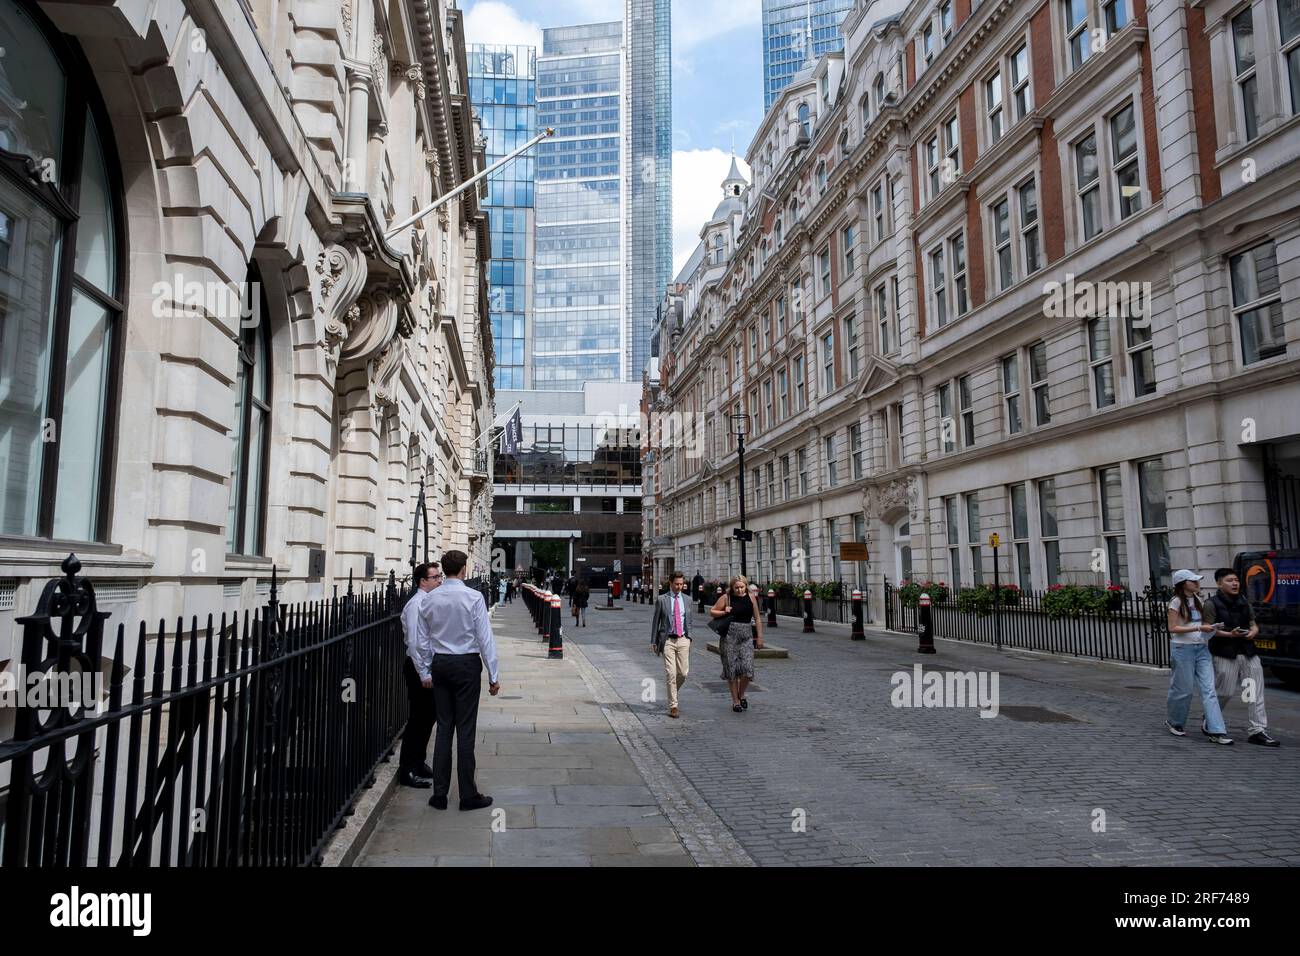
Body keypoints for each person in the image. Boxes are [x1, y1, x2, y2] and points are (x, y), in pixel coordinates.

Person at [418, 549, 501, 810]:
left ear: (444, 570)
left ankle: (439, 795)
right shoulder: (473, 597)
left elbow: (422, 641)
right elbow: (485, 638)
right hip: (466, 664)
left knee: (443, 728)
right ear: (464, 569)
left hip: (441, 664)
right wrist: (493, 675)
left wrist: (425, 671)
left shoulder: (429, 599)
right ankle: (467, 795)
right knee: (465, 730)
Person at [1205, 567, 1280, 746]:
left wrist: (1252, 632)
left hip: (1247, 651)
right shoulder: (1211, 604)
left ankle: (1257, 730)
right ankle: (1211, 720)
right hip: (1225, 653)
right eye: (1230, 580)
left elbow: (1254, 624)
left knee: (1253, 693)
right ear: (1219, 583)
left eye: (1236, 580)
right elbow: (1208, 630)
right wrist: (1230, 634)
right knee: (1225, 692)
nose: (1235, 583)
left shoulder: (1244, 602)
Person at [1166, 569, 1231, 744]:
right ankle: (1175, 722)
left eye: (1197, 580)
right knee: (1183, 690)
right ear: (1182, 584)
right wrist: (1198, 628)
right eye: (1192, 581)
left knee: (1209, 690)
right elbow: (1172, 628)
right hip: (1183, 649)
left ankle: (1216, 731)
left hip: (1202, 648)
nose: (1197, 583)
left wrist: (1212, 628)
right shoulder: (1176, 601)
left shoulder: (1198, 600)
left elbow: (1202, 624)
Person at [398, 561, 442, 787]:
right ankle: (407, 769)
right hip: (418, 668)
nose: (439, 580)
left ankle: (419, 761)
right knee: (418, 719)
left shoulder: (427, 601)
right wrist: (424, 673)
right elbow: (415, 642)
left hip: (426, 666)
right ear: (423, 581)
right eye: (435, 577)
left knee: (428, 718)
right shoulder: (417, 605)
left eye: (439, 576)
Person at [711, 575, 763, 713]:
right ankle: (735, 701)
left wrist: (759, 637)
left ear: (745, 586)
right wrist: (723, 611)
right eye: (737, 588)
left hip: (746, 635)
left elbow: (757, 618)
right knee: (731, 668)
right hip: (729, 635)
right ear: (732, 588)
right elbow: (712, 611)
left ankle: (741, 694)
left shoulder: (751, 597)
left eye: (742, 587)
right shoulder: (726, 598)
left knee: (748, 668)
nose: (739, 590)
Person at [651, 571, 693, 718]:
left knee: (683, 673)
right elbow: (656, 621)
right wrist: (654, 641)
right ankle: (673, 706)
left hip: (683, 639)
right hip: (667, 639)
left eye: (681, 584)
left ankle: (672, 691)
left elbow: (689, 620)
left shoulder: (688, 599)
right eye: (676, 584)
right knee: (670, 673)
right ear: (670, 583)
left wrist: (689, 638)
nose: (679, 587)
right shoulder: (662, 599)